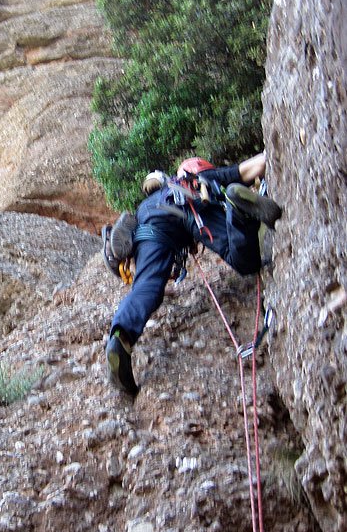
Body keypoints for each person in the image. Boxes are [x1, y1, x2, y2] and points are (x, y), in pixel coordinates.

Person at [104, 153, 282, 397]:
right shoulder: (201, 178)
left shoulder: (150, 199)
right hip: (193, 202)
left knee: (146, 288)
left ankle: (120, 336)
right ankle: (239, 213)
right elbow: (257, 164)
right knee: (244, 260)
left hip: (150, 222)